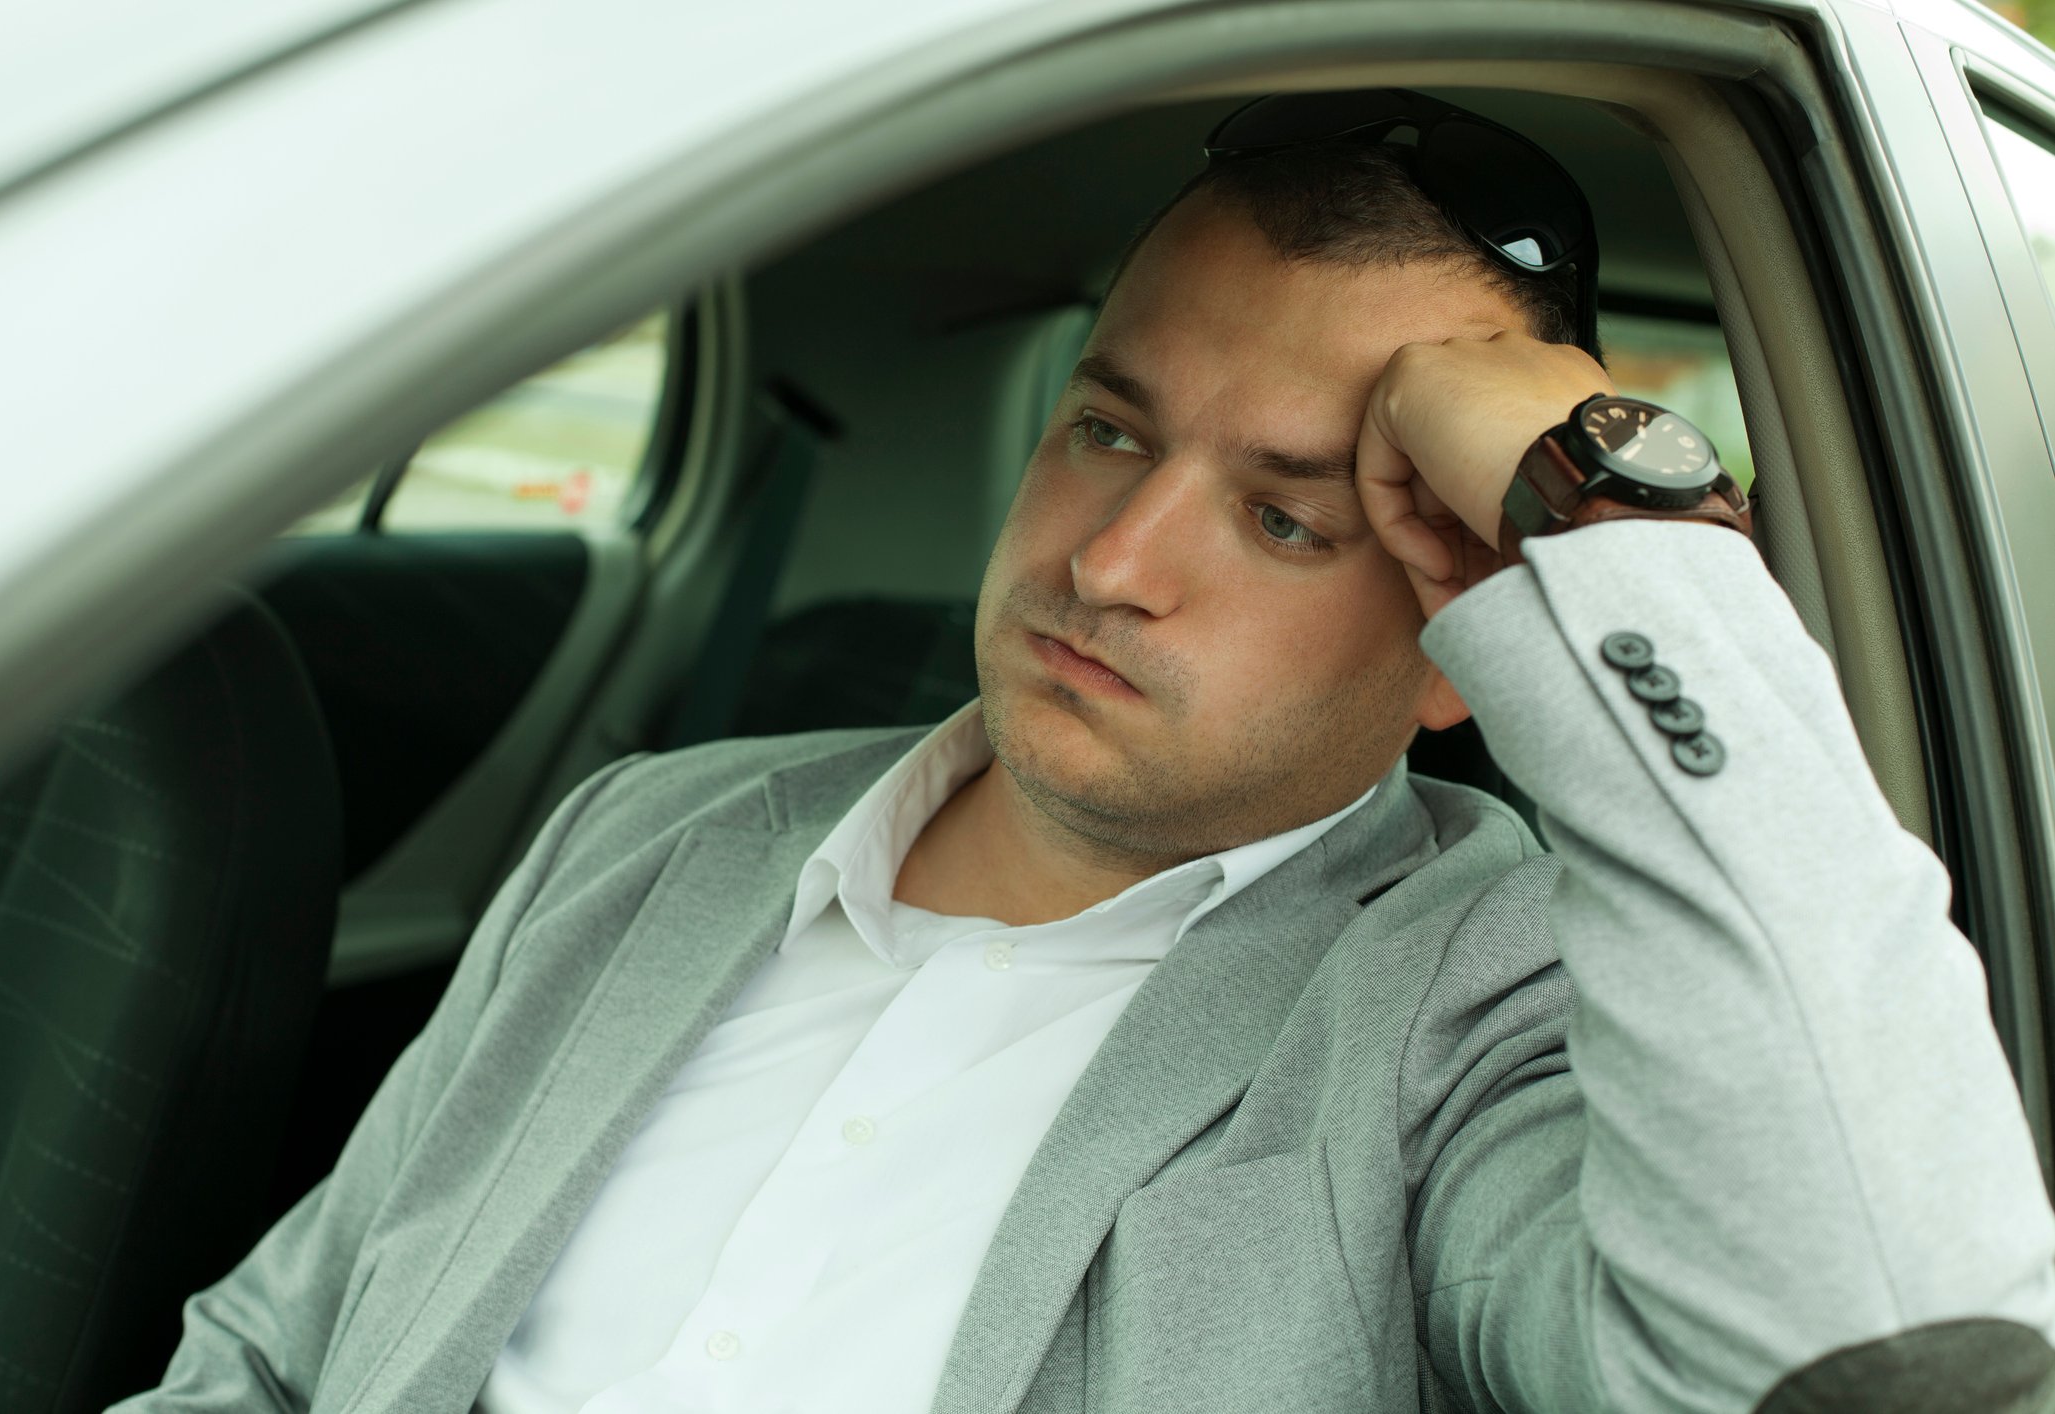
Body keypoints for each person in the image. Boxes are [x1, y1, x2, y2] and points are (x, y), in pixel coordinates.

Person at [118, 90, 2055, 1414]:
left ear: (1461, 642)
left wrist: (1606, 518)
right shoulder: (655, 830)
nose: (1109, 563)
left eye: (1290, 517)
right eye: (1109, 430)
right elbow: (276, 1357)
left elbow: (1878, 1347)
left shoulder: (1480, 1001)